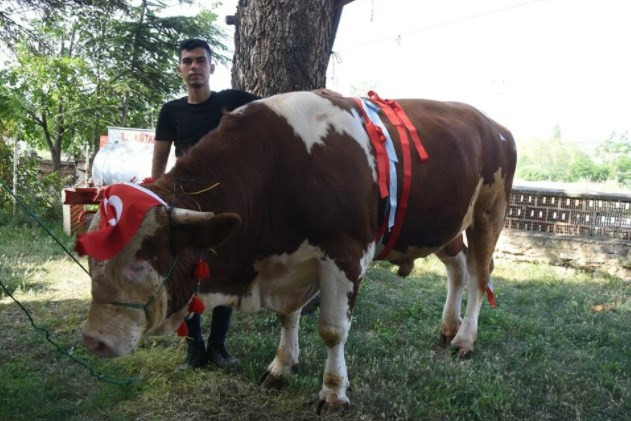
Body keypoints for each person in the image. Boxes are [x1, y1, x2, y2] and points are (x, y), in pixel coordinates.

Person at [152, 38, 336, 370]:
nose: (194, 66)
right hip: (188, 211)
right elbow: (159, 166)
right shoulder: (171, 112)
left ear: (212, 66)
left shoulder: (233, 102)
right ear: (180, 69)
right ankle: (194, 349)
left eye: (200, 60)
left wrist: (316, 98)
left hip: (229, 208)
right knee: (187, 274)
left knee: (225, 273)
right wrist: (157, 202)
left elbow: (280, 107)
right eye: (187, 61)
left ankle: (218, 346)